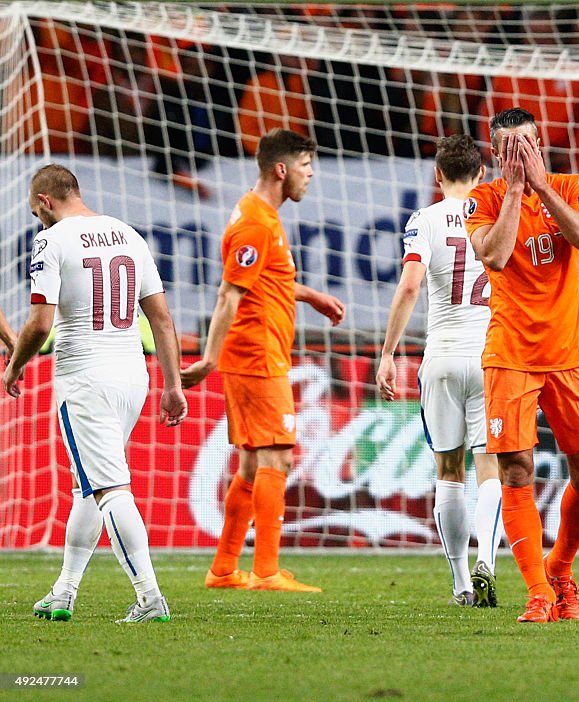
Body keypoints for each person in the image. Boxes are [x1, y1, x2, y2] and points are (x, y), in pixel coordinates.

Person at [4, 164, 187, 622]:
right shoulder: (128, 234)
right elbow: (161, 319)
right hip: (134, 376)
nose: (37, 223)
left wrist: (14, 364)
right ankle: (64, 591)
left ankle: (150, 598)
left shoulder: (52, 239)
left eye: (35, 213)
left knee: (108, 488)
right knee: (88, 486)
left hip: (86, 376)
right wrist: (173, 384)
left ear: (45, 201)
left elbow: (40, 323)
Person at [182, 129, 346, 593]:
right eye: (305, 166)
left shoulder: (261, 215)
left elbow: (262, 280)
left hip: (259, 351)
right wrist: (209, 358)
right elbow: (228, 294)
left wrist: (310, 295)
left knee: (254, 465)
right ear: (281, 169)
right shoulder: (255, 222)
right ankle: (267, 570)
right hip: (255, 355)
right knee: (278, 456)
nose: (310, 175)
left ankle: (223, 570)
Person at [465, 107, 579, 623]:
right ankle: (539, 593)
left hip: (569, 353)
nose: (520, 154)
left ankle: (561, 567)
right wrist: (515, 192)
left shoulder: (571, 187)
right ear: (495, 153)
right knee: (516, 469)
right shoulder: (480, 200)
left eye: (527, 144)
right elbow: (496, 257)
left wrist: (542, 188)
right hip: (511, 355)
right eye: (509, 148)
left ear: (541, 142)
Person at [375, 134, 504, 607]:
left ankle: (460, 584)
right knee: (490, 468)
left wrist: (389, 353)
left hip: (443, 357)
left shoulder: (424, 220)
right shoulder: (498, 214)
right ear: (482, 175)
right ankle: (487, 559)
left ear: (438, 175)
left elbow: (410, 286)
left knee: (448, 471)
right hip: (492, 356)